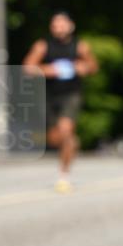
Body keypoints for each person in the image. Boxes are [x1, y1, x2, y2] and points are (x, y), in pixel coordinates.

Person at [23, 11, 98, 192]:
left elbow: (93, 67)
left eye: (62, 24)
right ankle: (72, 142)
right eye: (55, 25)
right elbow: (27, 68)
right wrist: (48, 70)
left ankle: (64, 176)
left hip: (71, 95)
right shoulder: (43, 46)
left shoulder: (80, 46)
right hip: (49, 96)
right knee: (55, 139)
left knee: (65, 130)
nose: (59, 28)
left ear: (71, 26)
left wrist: (83, 68)